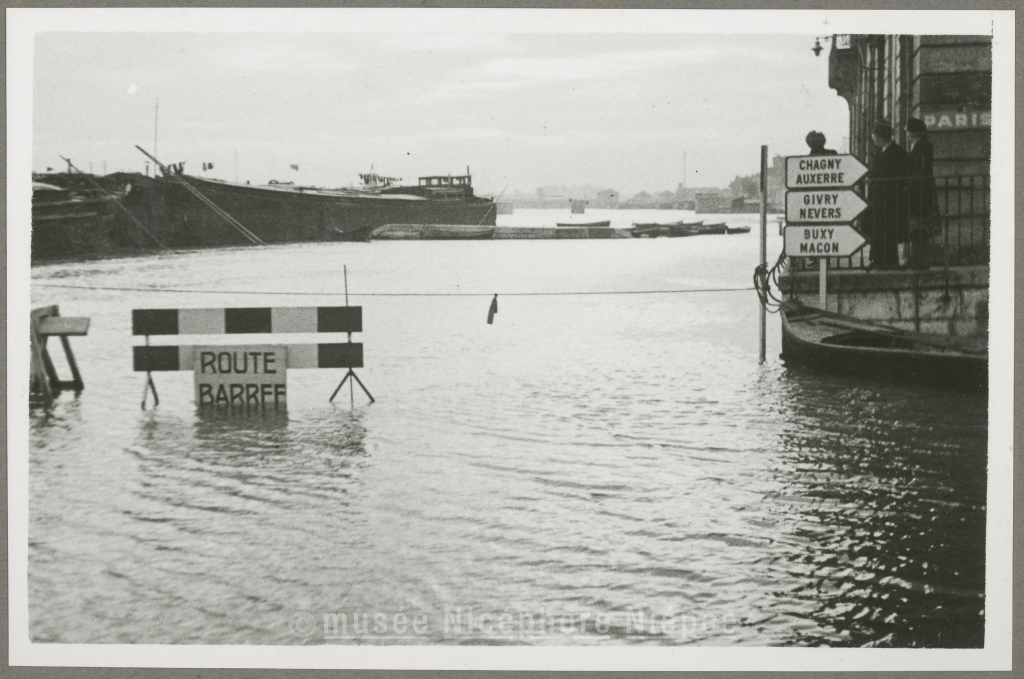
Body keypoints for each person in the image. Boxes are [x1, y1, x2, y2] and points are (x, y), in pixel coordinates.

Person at [867, 121, 909, 269]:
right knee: (879, 229)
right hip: (880, 199)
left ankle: (888, 261)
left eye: (874, 135)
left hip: (891, 199)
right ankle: (877, 260)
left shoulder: (897, 152)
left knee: (888, 230)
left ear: (880, 137)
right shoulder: (880, 152)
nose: (873, 139)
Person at [905, 117, 937, 269]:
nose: (908, 135)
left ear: (914, 133)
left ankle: (920, 261)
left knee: (921, 227)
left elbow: (921, 168)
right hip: (917, 191)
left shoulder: (924, 145)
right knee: (916, 227)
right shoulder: (918, 145)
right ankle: (915, 259)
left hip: (922, 192)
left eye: (909, 132)